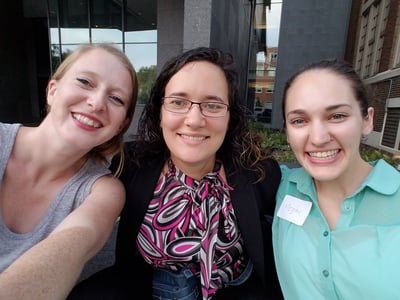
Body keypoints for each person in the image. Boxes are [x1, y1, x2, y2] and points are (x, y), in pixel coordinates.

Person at [69, 46, 283, 299]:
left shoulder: (260, 172)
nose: (194, 120)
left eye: (212, 105)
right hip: (149, 288)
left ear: (229, 117)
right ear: (160, 113)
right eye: (178, 102)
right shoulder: (131, 163)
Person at [0, 43, 138, 299]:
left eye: (116, 98)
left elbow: (79, 239)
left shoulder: (103, 190)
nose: (96, 103)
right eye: (85, 81)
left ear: (122, 125)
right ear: (53, 90)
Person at [272, 59, 400, 299]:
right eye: (299, 121)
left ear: (367, 120)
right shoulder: (282, 186)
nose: (318, 138)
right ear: (288, 132)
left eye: (337, 116)